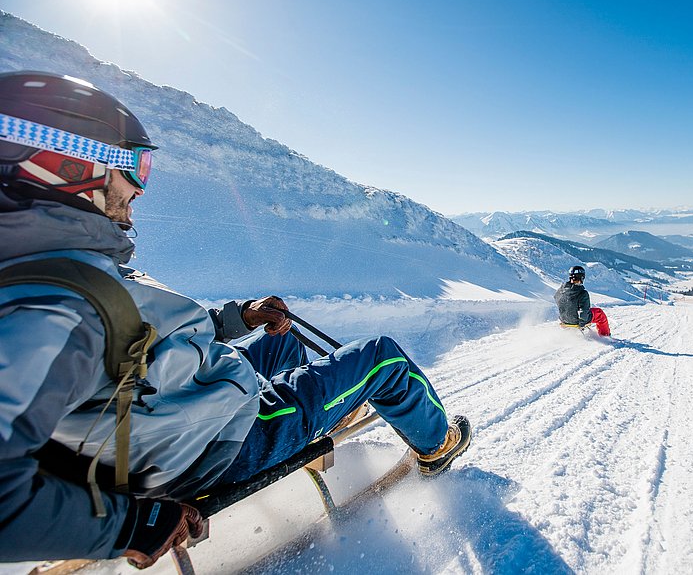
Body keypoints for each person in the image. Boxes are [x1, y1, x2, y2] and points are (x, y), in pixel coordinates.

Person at [0, 71, 471, 569]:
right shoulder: (55, 308)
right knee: (382, 357)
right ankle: (438, 446)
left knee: (282, 340)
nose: (141, 188)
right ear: (67, 166)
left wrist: (238, 318)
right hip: (216, 447)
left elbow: (140, 333)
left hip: (173, 421)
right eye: (135, 167)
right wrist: (131, 526)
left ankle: (320, 407)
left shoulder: (57, 267)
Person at [554, 265, 610, 336]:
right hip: (577, 321)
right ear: (582, 278)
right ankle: (605, 335)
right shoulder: (582, 293)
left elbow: (556, 298)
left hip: (564, 319)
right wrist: (582, 324)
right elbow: (583, 311)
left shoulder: (561, 290)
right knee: (599, 313)